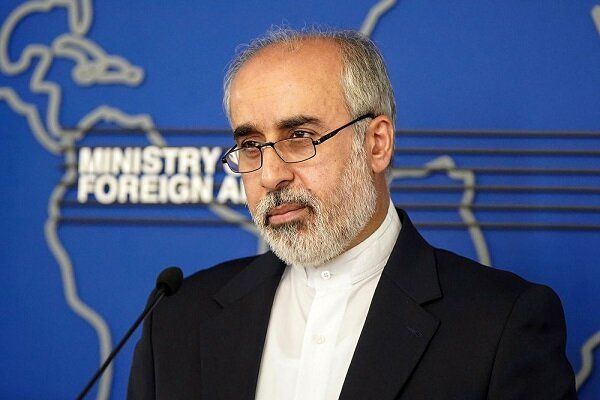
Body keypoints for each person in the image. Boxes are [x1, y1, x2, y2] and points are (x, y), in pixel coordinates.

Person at [128, 28, 576, 400]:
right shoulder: (177, 316)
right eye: (250, 146)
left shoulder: (500, 323)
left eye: (300, 137)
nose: (270, 175)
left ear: (376, 144)